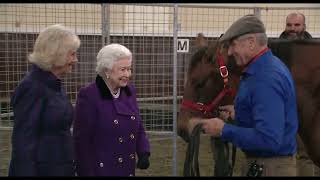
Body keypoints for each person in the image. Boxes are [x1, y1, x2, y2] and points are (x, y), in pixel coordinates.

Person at [194, 15, 299, 176]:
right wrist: (241, 114)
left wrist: (223, 130)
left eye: (233, 45)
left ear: (251, 42)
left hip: (270, 168)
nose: (229, 52)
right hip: (267, 166)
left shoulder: (265, 77)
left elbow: (269, 139)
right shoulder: (264, 69)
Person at [8, 24, 81, 176]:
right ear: (57, 54)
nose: (76, 60)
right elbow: (24, 140)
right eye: (72, 54)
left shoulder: (53, 83)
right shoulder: (32, 87)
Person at [73, 43, 150, 176]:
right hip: (101, 170)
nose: (128, 74)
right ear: (107, 70)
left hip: (126, 168)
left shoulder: (129, 91)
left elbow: (138, 125)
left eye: (129, 69)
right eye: (122, 70)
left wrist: (143, 151)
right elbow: (81, 142)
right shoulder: (89, 95)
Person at [279, 12, 319, 176]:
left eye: (297, 25)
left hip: (309, 112)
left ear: (304, 26)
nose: (292, 29)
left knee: (307, 154)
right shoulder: (276, 49)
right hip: (283, 110)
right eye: (289, 25)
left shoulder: (314, 50)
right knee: (288, 154)